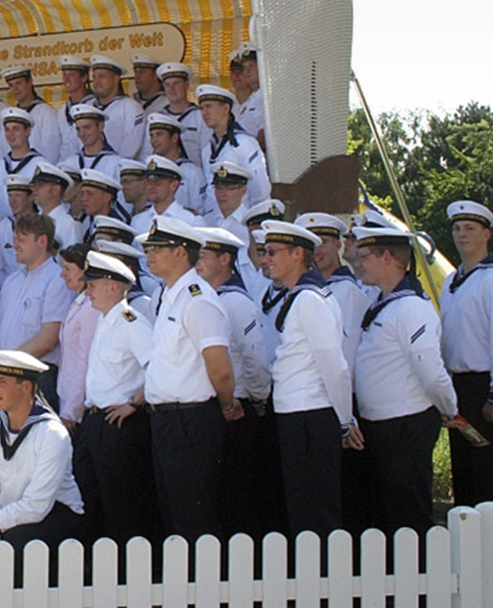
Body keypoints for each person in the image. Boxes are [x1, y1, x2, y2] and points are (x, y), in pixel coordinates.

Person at [352, 225, 459, 534]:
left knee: (408, 514)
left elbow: (431, 371)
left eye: (365, 256)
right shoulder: (384, 301)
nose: (359, 263)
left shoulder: (411, 306)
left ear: (388, 257)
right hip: (385, 425)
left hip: (404, 425)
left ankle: (420, 576)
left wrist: (448, 407)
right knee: (389, 513)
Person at [137, 216, 237, 540]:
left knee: (194, 515)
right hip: (166, 420)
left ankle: (207, 587)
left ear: (181, 252)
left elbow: (220, 368)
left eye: (157, 248)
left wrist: (226, 405)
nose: (149, 254)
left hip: (191, 419)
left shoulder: (198, 300)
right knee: (174, 515)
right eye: (148, 248)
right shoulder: (167, 296)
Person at [260, 220, 353, 536]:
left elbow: (333, 365)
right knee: (302, 508)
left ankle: (325, 579)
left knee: (315, 510)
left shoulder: (310, 299)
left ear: (298, 253)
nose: (266, 259)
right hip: (296, 413)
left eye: (273, 252)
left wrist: (344, 420)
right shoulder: (300, 296)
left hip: (310, 415)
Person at [0, 350, 84, 585]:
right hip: (9, 514)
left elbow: (38, 505)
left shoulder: (53, 433)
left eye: (2, 382)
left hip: (56, 513)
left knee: (14, 547)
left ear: (26, 387)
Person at [440, 200, 493, 510]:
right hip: (460, 387)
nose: (462, 235)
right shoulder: (452, 282)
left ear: (486, 234)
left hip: (486, 387)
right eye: (458, 228)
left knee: (489, 475)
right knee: (465, 474)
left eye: (470, 229)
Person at [75, 252, 160, 544]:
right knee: (92, 494)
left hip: (119, 423)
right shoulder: (104, 320)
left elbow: (157, 369)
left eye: (93, 285)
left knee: (121, 500)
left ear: (113, 286)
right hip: (95, 419)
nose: (88, 291)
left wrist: (134, 403)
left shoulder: (131, 322)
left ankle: (126, 566)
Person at [196, 226, 271, 536]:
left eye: (203, 256)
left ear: (225, 259)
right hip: (212, 407)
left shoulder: (237, 303)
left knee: (237, 489)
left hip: (238, 406)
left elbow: (255, 358)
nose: (196, 262)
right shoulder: (205, 298)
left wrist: (257, 399)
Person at [0, 214, 74, 410]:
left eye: (21, 239)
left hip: (35, 376)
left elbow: (48, 338)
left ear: (42, 241)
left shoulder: (57, 280)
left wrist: (8, 365)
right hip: (3, 377)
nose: (14, 245)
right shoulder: (11, 281)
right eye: (14, 238)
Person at [295, 213, 366, 370]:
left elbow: (347, 352)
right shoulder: (301, 288)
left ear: (338, 245)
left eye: (323, 243)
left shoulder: (348, 291)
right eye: (311, 245)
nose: (316, 251)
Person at [196, 84, 270, 213]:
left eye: (209, 107)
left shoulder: (245, 143)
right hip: (216, 221)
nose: (204, 113)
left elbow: (260, 191)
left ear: (226, 108)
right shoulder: (207, 150)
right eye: (201, 108)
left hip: (241, 222)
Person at [53, 244, 98, 428]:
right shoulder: (79, 302)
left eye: (68, 269)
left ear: (84, 271)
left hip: (79, 409)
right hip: (67, 399)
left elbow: (84, 360)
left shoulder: (90, 308)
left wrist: (72, 410)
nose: (62, 274)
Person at [0, 108, 47, 219]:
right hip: (4, 229)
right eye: (7, 129)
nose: (11, 134)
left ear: (28, 131)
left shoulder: (41, 166)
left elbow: (45, 206)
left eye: (16, 129)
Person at [129, 155, 205, 236]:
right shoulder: (137, 220)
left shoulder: (191, 220)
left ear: (174, 185)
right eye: (148, 182)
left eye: (157, 182)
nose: (151, 186)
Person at [88, 55, 147, 160]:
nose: (96, 82)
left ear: (115, 79)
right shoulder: (87, 107)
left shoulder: (130, 107)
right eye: (94, 77)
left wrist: (109, 165)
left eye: (102, 77)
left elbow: (130, 147)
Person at [148, 112, 207, 214]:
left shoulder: (192, 172)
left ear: (174, 138)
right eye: (152, 135)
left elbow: (199, 210)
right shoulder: (149, 171)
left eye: (159, 134)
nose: (154, 140)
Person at [1, 65, 61, 163]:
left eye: (19, 83)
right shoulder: (9, 117)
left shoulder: (46, 112)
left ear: (30, 82)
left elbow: (52, 151)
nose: (15, 89)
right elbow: (3, 150)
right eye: (11, 85)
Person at [156, 61, 207, 154]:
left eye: (176, 83)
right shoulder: (158, 119)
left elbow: (207, 151)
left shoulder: (201, 116)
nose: (172, 89)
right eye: (167, 85)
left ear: (186, 85)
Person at [55, 55, 97, 162]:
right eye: (64, 75)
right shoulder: (62, 111)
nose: (66, 79)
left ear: (84, 78)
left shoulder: (95, 106)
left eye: (71, 74)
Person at [31, 162, 82, 249]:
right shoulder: (32, 220)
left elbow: (71, 260)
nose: (34, 189)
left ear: (56, 189)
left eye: (40, 185)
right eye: (33, 185)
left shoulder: (69, 224)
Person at [231, 44, 267, 148]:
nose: (247, 71)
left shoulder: (267, 99)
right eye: (245, 67)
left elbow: (264, 136)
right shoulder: (250, 101)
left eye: (251, 66)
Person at [67, 104, 120, 174]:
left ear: (101, 126)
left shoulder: (116, 164)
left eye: (87, 127)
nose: (81, 134)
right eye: (78, 129)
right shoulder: (70, 164)